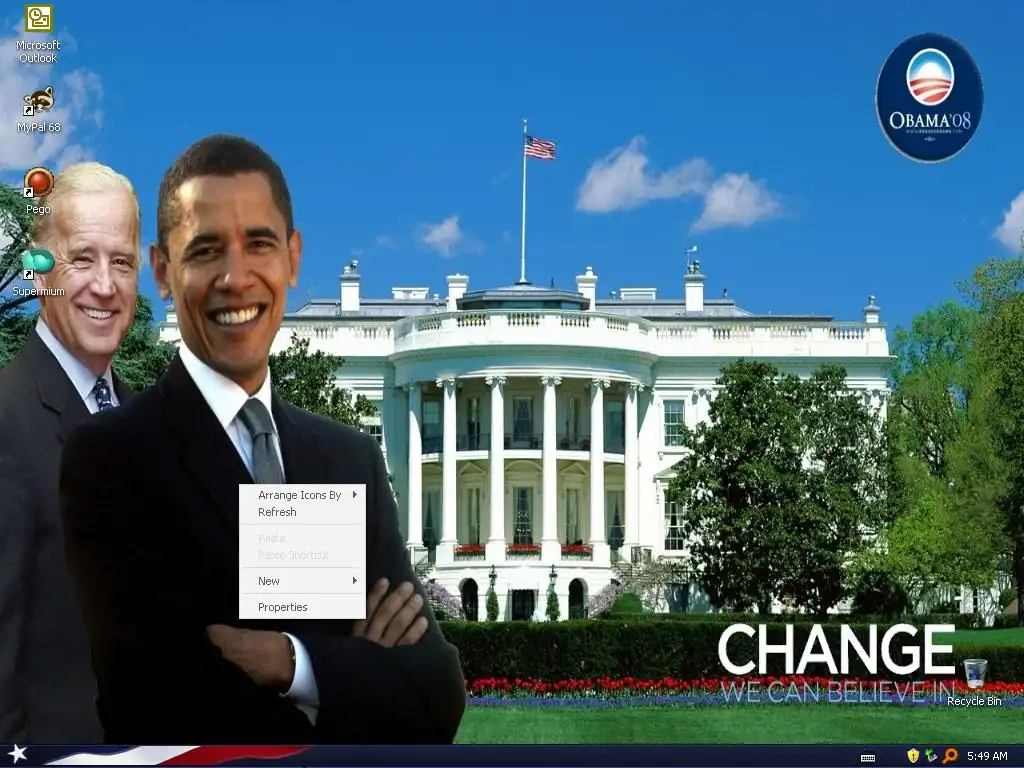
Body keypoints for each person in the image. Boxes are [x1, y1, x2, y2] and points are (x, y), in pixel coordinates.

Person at [59, 135, 467, 744]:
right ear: (162, 271)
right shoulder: (113, 457)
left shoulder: (345, 458)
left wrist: (288, 662)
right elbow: (160, 704)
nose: (236, 278)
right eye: (205, 250)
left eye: (259, 244)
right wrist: (356, 667)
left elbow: (437, 697)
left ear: (293, 259)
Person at [0, 162, 140, 742]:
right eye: (82, 259)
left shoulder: (147, 423)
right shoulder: (6, 421)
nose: (105, 285)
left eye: (122, 262)